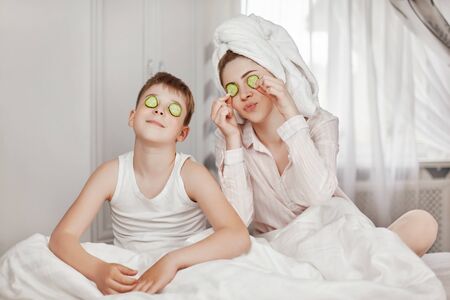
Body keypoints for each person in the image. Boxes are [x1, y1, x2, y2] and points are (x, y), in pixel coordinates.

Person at [210, 14, 437, 257]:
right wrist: (233, 142)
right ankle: (371, 270)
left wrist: (291, 115)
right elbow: (238, 221)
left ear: (276, 74)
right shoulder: (229, 140)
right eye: (232, 88)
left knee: (422, 223)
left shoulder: (321, 123)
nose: (243, 94)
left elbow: (317, 195)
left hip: (339, 239)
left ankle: (367, 266)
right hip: (283, 252)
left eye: (252, 79)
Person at [49, 72, 250, 295]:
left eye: (173, 109)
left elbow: (237, 235)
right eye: (151, 102)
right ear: (132, 117)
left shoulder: (192, 174)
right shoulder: (110, 174)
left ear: (182, 133)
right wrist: (97, 270)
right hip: (129, 266)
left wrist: (172, 260)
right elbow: (62, 237)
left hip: (183, 267)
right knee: (26, 254)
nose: (159, 110)